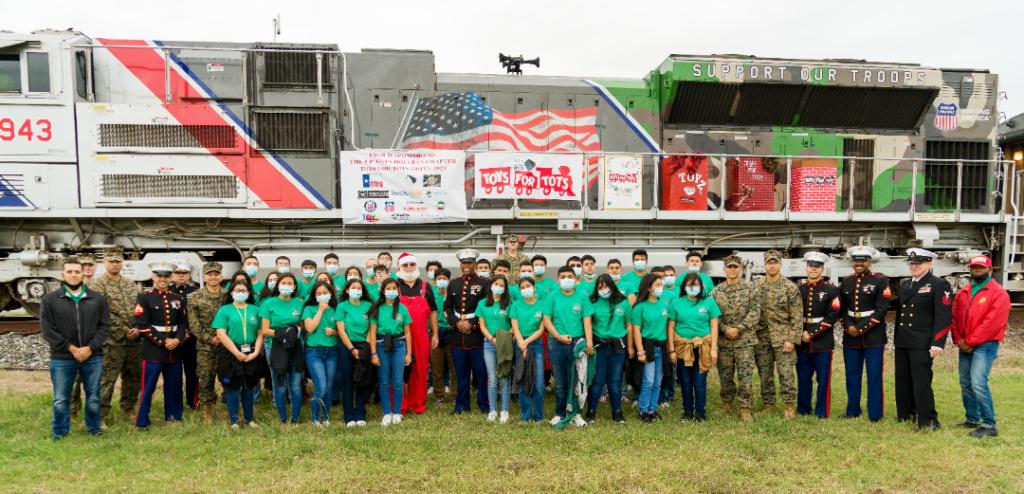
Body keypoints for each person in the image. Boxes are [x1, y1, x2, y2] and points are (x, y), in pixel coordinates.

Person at [40, 258, 110, 440]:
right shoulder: (50, 300)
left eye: (76, 272)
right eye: (69, 271)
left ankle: (94, 429)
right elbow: (47, 330)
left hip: (92, 356)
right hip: (62, 357)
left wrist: (90, 348)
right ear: (62, 274)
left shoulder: (97, 299)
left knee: (94, 396)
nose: (73, 275)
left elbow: (105, 327)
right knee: (61, 398)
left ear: (83, 274)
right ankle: (60, 433)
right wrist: (71, 348)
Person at [893, 248, 952, 431]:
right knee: (902, 379)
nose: (914, 266)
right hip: (903, 340)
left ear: (929, 263)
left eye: (918, 263)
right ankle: (906, 413)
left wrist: (937, 343)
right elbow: (900, 315)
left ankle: (928, 421)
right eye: (911, 263)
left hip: (922, 342)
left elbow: (944, 317)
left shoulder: (939, 284)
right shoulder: (905, 285)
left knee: (921, 381)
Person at [951, 255, 1009, 437]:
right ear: (969, 269)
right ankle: (972, 419)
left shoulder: (999, 293)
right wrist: (958, 339)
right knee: (966, 383)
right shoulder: (963, 292)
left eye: (981, 268)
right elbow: (955, 319)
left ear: (989, 270)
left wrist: (969, 341)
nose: (977, 270)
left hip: (985, 344)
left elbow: (992, 323)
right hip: (964, 344)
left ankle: (989, 424)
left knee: (978, 383)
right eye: (974, 267)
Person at [134, 261, 189, 429]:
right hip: (153, 351)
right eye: (159, 276)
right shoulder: (144, 297)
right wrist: (163, 341)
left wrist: (178, 340)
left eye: (166, 276)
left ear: (171, 277)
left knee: (174, 386)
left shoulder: (177, 298)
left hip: (174, 351)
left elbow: (183, 323)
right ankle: (142, 421)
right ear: (153, 276)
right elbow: (142, 324)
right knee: (148, 387)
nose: (163, 279)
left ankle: (173, 417)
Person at [839, 245, 891, 422]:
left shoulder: (880, 281)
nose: (859, 263)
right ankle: (853, 410)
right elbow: (842, 309)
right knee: (852, 374)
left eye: (863, 260)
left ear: (869, 262)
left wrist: (859, 328)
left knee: (874, 375)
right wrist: (848, 327)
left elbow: (882, 309)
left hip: (873, 336)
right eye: (856, 260)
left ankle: (875, 414)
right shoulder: (846, 281)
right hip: (850, 335)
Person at [90, 248, 140, 429]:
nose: (115, 264)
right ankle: (100, 415)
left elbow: (138, 308)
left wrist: (138, 328)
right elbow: (100, 314)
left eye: (118, 261)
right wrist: (123, 330)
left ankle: (128, 408)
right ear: (104, 263)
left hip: (134, 339)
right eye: (111, 261)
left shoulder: (130, 284)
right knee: (107, 379)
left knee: (133, 376)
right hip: (112, 340)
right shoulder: (98, 285)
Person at [753, 250, 802, 419]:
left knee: (786, 373)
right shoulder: (757, 286)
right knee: (764, 373)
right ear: (764, 265)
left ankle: (789, 405)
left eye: (775, 262)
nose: (772, 265)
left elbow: (796, 315)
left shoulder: (790, 287)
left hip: (783, 338)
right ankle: (769, 404)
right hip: (761, 338)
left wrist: (792, 339)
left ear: (780, 264)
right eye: (769, 262)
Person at [544, 266, 595, 427]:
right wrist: (558, 336)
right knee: (560, 382)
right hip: (556, 343)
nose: (567, 279)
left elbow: (587, 320)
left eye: (570, 276)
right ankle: (560, 413)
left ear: (575, 278)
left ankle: (576, 413)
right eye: (563, 276)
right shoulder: (552, 297)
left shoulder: (582, 297)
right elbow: (546, 319)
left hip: (577, 343)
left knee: (578, 381)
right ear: (558, 280)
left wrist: (589, 342)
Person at [711, 255, 760, 422]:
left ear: (741, 269)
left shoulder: (750, 288)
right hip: (724, 341)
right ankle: (727, 403)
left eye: (735, 267)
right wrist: (725, 329)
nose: (732, 270)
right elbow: (712, 316)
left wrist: (738, 328)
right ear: (724, 269)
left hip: (744, 341)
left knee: (745, 376)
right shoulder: (716, 292)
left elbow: (755, 312)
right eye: (729, 267)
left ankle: (745, 408)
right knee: (725, 375)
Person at [668, 272, 720, 421]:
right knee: (685, 381)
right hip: (683, 348)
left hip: (702, 348)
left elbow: (714, 325)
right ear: (684, 286)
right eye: (690, 284)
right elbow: (671, 327)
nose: (693, 287)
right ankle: (687, 412)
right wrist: (671, 350)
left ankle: (700, 413)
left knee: (699, 382)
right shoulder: (676, 303)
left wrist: (714, 349)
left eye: (696, 284)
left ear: (701, 286)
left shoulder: (709, 302)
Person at [212, 279, 264, 428]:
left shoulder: (255, 309)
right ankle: (234, 420)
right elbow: (221, 334)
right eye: (237, 290)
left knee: (249, 386)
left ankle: (249, 419)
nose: (241, 293)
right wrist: (236, 353)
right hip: (230, 352)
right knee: (233, 387)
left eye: (244, 290)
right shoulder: (224, 310)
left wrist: (255, 352)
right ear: (231, 292)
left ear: (249, 293)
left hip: (251, 351)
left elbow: (261, 333)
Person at [443, 249, 489, 414]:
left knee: (481, 373)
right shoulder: (453, 283)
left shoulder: (485, 283)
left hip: (476, 336)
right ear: (460, 264)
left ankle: (484, 404)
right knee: (461, 374)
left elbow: (487, 308)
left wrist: (472, 323)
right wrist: (456, 323)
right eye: (464, 263)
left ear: (475, 264)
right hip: (457, 336)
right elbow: (447, 307)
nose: (466, 266)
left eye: (469, 263)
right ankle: (461, 405)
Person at [796, 252, 841, 419]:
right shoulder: (799, 289)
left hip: (822, 342)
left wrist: (812, 333)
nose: (813, 269)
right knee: (803, 377)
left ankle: (822, 411)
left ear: (822, 269)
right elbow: (794, 314)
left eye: (817, 267)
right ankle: (803, 409)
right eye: (810, 266)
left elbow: (833, 315)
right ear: (806, 268)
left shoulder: (831, 290)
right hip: (802, 340)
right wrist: (800, 332)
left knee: (823, 380)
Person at [394, 252, 439, 415]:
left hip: (421, 335)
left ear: (416, 265)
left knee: (420, 368)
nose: (409, 267)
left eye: (412, 264)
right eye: (405, 265)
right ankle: (401, 404)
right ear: (400, 267)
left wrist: (435, 333)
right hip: (398, 334)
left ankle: (417, 403)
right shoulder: (394, 286)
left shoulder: (426, 287)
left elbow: (433, 311)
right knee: (398, 368)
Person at [259, 273, 305, 424]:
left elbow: (303, 326)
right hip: (275, 347)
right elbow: (265, 329)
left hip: (295, 347)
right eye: (283, 282)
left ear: (294, 286)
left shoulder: (299, 303)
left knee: (296, 385)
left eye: (290, 283)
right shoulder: (269, 303)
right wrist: (282, 333)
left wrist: (294, 331)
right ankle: (283, 419)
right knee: (279, 385)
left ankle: (295, 418)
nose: (287, 285)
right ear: (278, 285)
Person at [586, 274, 631, 423]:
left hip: (617, 347)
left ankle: (617, 412)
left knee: (615, 381)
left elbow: (628, 325)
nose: (603, 290)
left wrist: (630, 347)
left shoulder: (623, 303)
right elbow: (587, 324)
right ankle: (591, 412)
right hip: (599, 346)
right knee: (597, 381)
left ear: (612, 286)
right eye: (600, 287)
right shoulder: (592, 302)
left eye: (606, 286)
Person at [369, 278, 413, 426]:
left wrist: (408, 353)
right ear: (383, 291)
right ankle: (387, 412)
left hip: (399, 346)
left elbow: (408, 333)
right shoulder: (377, 308)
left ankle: (397, 411)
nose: (391, 291)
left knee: (397, 381)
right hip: (382, 346)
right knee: (383, 381)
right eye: (388, 288)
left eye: (394, 288)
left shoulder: (402, 308)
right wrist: (374, 353)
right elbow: (373, 333)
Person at [187, 262, 226, 422]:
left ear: (221, 276)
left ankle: (230, 407)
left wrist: (223, 338)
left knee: (228, 377)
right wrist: (211, 339)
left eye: (216, 274)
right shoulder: (196, 297)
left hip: (227, 345)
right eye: (210, 274)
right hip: (205, 347)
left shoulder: (227, 295)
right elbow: (194, 324)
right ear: (204, 277)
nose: (213, 277)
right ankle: (207, 412)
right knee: (206, 378)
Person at [336, 278, 374, 427]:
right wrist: (352, 349)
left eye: (359, 288)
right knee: (347, 382)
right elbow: (341, 330)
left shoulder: (369, 306)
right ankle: (349, 415)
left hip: (364, 346)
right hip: (346, 346)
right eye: (353, 288)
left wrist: (365, 347)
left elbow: (372, 329)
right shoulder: (342, 306)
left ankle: (360, 413)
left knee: (362, 381)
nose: (356, 290)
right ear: (347, 290)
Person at [631, 274, 669, 422]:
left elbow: (667, 327)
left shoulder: (664, 305)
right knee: (648, 381)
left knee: (658, 381)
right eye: (657, 285)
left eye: (661, 284)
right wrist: (640, 351)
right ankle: (643, 410)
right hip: (648, 347)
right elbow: (636, 331)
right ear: (648, 288)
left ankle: (653, 409)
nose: (660, 288)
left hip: (662, 347)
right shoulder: (640, 307)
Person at [477, 275, 514, 423]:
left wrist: (505, 338)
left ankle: (504, 410)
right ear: (491, 285)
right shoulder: (483, 303)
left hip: (505, 345)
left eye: (501, 285)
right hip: (489, 344)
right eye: (496, 284)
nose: (498, 287)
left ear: (505, 288)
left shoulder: (510, 303)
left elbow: (514, 324)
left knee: (505, 376)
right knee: (492, 378)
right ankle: (492, 410)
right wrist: (492, 339)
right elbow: (482, 325)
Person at [303, 281, 340, 426]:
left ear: (330, 294)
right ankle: (314, 418)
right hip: (314, 353)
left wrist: (335, 332)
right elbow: (310, 328)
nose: (322, 296)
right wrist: (320, 310)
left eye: (325, 293)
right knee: (321, 386)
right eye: (319, 293)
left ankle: (325, 417)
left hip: (332, 352)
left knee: (329, 387)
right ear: (314, 296)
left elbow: (342, 331)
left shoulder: (336, 309)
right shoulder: (309, 309)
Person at [510, 277, 547, 423]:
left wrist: (527, 342)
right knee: (522, 379)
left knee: (538, 381)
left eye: (528, 286)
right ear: (520, 290)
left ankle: (538, 416)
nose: (526, 289)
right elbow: (515, 327)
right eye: (523, 287)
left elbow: (541, 328)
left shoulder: (543, 305)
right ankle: (525, 416)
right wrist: (521, 343)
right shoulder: (516, 305)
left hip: (535, 344)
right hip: (519, 344)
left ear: (534, 287)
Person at [169, 261, 199, 412]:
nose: (181, 275)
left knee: (192, 372)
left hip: (192, 339)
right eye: (178, 273)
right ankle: (176, 403)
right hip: (174, 339)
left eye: (184, 273)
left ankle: (192, 402)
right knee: (174, 373)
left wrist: (189, 331)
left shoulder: (196, 291)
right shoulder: (167, 291)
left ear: (189, 275)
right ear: (173, 275)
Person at [430, 268, 457, 403]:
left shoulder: (453, 294)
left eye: (444, 278)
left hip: (452, 333)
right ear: (435, 281)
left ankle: (455, 395)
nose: (442, 281)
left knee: (454, 368)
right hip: (436, 333)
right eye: (439, 278)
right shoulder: (432, 294)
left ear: (449, 280)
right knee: (437, 368)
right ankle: (439, 395)